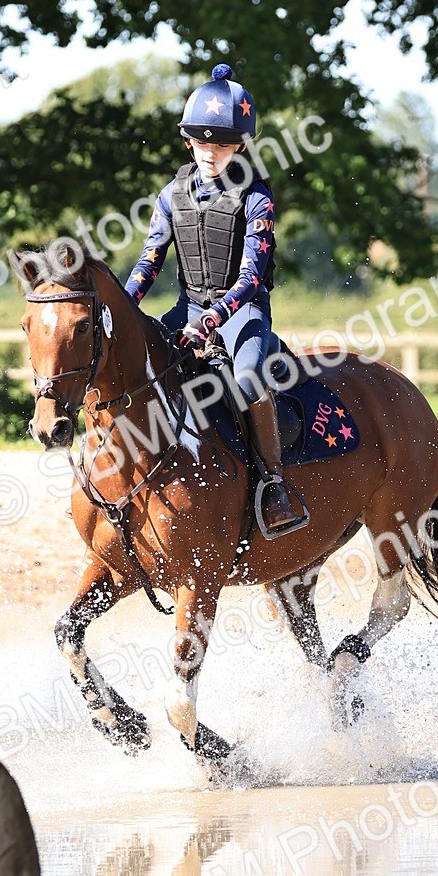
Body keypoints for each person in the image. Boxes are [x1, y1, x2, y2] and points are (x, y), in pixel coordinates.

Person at [125, 62, 307, 535]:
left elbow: (251, 275)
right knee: (133, 363)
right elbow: (149, 261)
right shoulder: (170, 195)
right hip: (185, 306)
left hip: (241, 311)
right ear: (189, 142)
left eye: (222, 144)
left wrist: (214, 316)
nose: (212, 152)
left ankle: (273, 485)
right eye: (203, 143)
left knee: (246, 380)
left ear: (240, 145)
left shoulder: (257, 198)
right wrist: (124, 307)